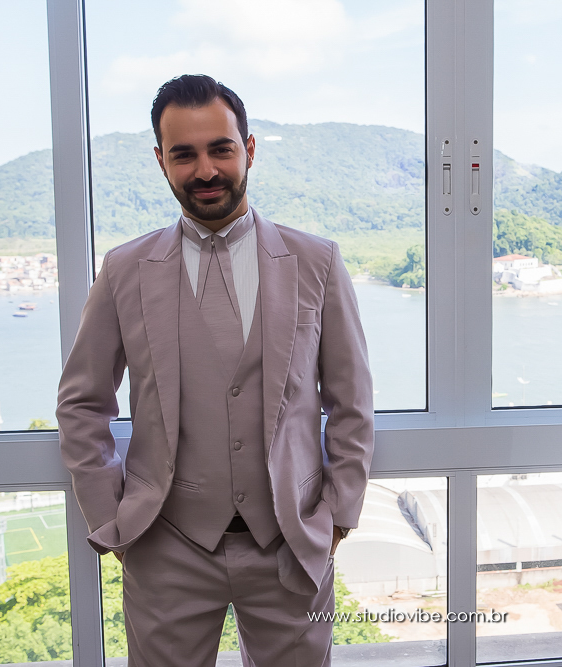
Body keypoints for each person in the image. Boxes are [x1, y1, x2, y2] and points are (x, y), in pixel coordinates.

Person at [56, 74, 374, 667]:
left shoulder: (317, 261)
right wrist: (111, 519)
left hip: (292, 544)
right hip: (164, 547)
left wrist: (337, 517)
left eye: (220, 149)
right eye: (184, 154)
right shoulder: (124, 270)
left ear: (248, 149)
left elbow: (351, 402)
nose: (205, 170)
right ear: (161, 161)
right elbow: (82, 403)